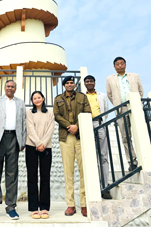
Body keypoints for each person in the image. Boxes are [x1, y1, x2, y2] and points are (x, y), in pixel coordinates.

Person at [0, 80, 27, 220]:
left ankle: (11, 207)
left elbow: (23, 122)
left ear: (15, 89)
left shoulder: (20, 103)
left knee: (12, 174)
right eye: (8, 86)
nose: (10, 88)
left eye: (12, 87)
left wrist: (22, 140)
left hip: (14, 138)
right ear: (5, 88)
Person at [53, 76, 92, 217]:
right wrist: (70, 126)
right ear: (64, 85)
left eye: (72, 82)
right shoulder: (58, 99)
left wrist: (77, 126)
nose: (70, 84)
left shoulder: (82, 97)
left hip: (81, 136)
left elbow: (88, 112)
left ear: (74, 84)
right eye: (67, 83)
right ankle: (70, 205)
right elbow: (56, 116)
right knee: (68, 171)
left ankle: (84, 204)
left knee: (83, 170)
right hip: (66, 136)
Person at [105, 56, 144, 171]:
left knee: (139, 133)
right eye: (117, 64)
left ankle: (143, 158)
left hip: (135, 107)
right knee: (125, 136)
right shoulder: (110, 79)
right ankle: (132, 161)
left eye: (122, 63)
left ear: (125, 65)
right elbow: (110, 94)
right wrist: (118, 104)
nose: (120, 66)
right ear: (114, 66)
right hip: (121, 109)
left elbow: (140, 91)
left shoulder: (134, 76)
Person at [25, 91, 55, 219]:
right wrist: (38, 142)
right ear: (32, 101)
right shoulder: (29, 113)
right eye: (34, 98)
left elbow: (51, 129)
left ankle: (44, 207)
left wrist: (43, 143)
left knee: (45, 177)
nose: (37, 100)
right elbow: (30, 129)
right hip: (31, 146)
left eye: (39, 97)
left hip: (46, 146)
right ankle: (33, 208)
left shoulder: (50, 113)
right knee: (32, 177)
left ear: (43, 98)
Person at [84, 75, 112, 199]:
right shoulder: (81, 96)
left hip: (100, 124)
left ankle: (105, 186)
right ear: (84, 83)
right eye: (87, 81)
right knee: (91, 156)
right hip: (86, 124)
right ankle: (94, 187)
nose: (89, 83)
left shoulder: (102, 96)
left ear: (94, 82)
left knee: (103, 156)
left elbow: (105, 109)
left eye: (91, 81)